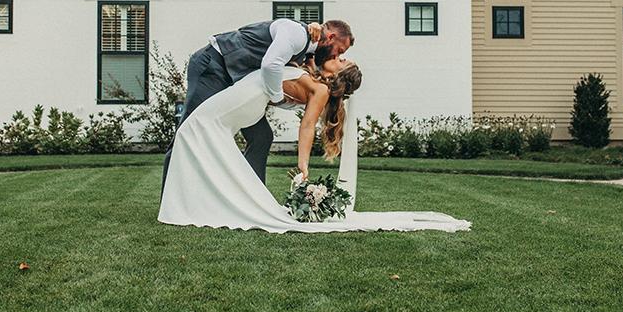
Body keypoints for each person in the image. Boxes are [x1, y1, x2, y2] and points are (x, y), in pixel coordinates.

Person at [159, 56, 471, 234]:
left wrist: (303, 167)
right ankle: (199, 200)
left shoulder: (320, 91)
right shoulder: (312, 74)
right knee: (197, 133)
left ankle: (190, 203)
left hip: (250, 96)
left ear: (341, 73)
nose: (338, 57)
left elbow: (307, 126)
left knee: (194, 130)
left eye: (343, 60)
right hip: (251, 95)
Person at [160, 18, 352, 195]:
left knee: (261, 137)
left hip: (238, 86)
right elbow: (270, 65)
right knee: (187, 132)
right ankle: (170, 201)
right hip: (214, 66)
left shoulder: (310, 57)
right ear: (331, 37)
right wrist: (277, 97)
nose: (337, 55)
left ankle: (252, 198)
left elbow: (314, 72)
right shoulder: (297, 33)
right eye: (340, 51)